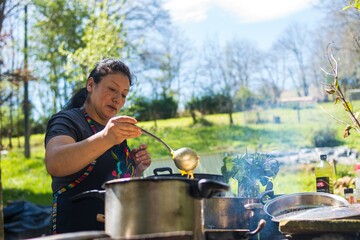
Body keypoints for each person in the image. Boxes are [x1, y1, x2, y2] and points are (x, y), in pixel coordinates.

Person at [44, 58, 151, 234]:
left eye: (124, 95)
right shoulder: (68, 120)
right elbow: (55, 162)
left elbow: (115, 186)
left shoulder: (114, 133)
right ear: (91, 85)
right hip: (75, 234)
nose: (118, 99)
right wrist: (107, 138)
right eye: (111, 89)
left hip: (115, 232)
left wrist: (136, 169)